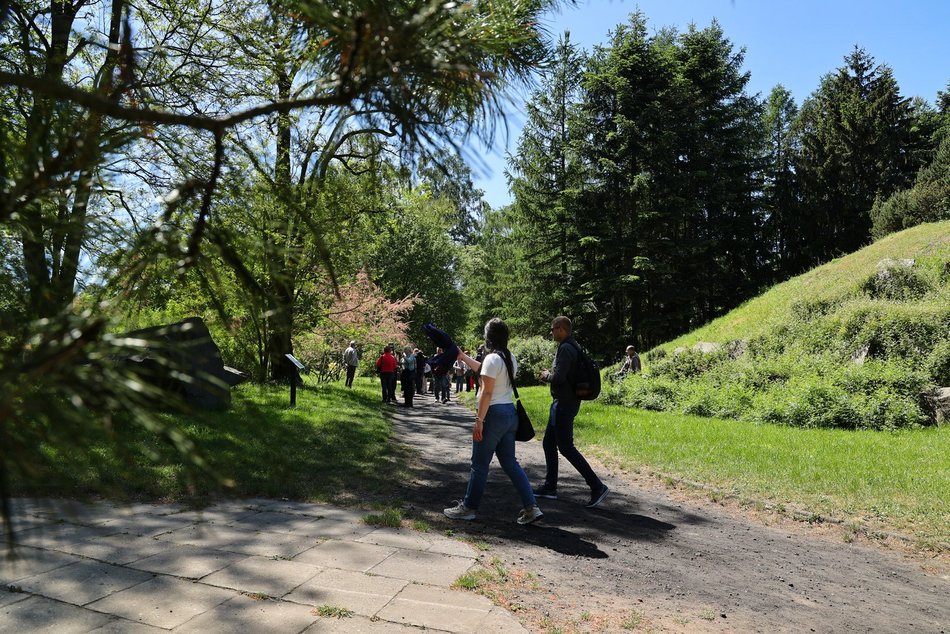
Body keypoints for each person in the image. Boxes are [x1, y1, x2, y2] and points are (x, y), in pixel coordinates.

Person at [443, 318, 543, 525]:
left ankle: (468, 508)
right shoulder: (509, 357)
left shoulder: (492, 359)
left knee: (479, 465)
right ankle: (531, 507)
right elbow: (486, 370)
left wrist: (479, 420)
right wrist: (463, 356)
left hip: (493, 415)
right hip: (509, 414)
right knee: (510, 463)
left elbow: (487, 391)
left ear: (489, 337)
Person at [534, 316, 609, 508]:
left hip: (565, 404)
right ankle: (550, 487)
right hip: (562, 403)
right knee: (549, 443)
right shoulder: (572, 345)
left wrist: (546, 376)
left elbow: (559, 378)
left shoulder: (567, 348)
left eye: (552, 329)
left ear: (561, 329)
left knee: (566, 447)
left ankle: (597, 486)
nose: (551, 333)